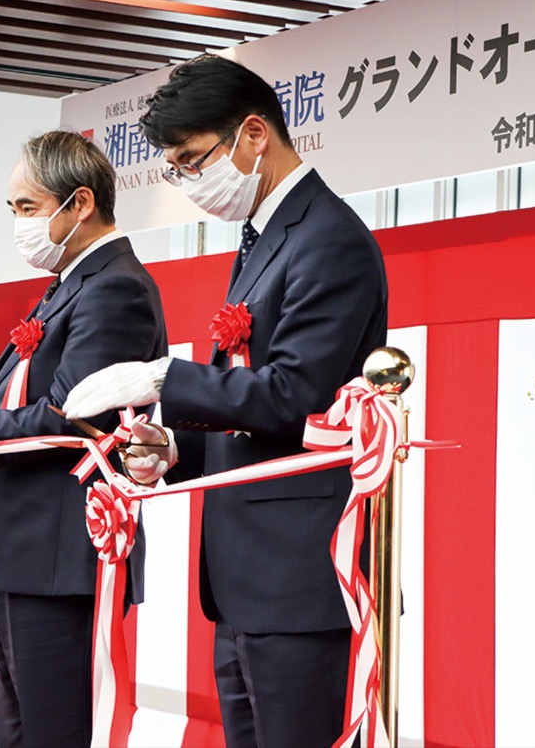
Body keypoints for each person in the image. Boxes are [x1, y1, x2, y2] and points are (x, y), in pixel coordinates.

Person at [63, 54, 389, 748]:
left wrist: (161, 377)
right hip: (246, 575)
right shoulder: (263, 237)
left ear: (252, 135)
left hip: (299, 572)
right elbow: (248, 412)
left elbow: (293, 395)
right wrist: (174, 448)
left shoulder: (329, 239)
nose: (186, 182)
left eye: (191, 160)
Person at [0, 130, 168, 748]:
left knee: (50, 728)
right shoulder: (72, 282)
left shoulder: (114, 287)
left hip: (59, 546)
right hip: (27, 548)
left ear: (80, 204)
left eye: (27, 207)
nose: (17, 222)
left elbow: (66, 416)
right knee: (19, 728)